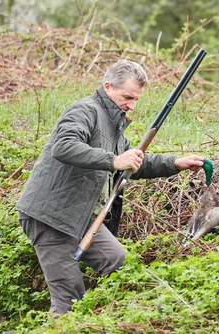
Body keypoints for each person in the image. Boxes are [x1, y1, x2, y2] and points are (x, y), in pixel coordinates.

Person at [16, 60, 203, 314]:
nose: (131, 105)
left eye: (136, 99)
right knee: (69, 300)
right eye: (127, 96)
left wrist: (176, 163)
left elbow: (132, 163)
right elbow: (64, 146)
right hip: (51, 217)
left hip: (83, 218)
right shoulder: (84, 111)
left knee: (122, 266)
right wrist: (113, 160)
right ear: (107, 86)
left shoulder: (114, 126)